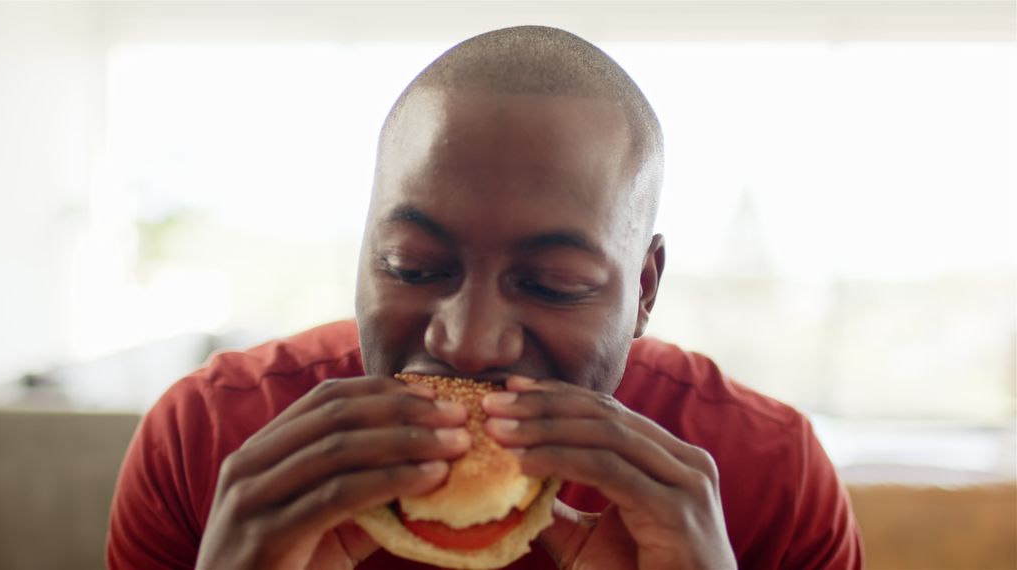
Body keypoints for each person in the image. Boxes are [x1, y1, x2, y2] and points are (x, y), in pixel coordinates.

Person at [107, 26, 862, 569]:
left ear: (643, 289)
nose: (468, 344)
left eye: (551, 285)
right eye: (411, 266)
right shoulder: (207, 441)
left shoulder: (768, 475)